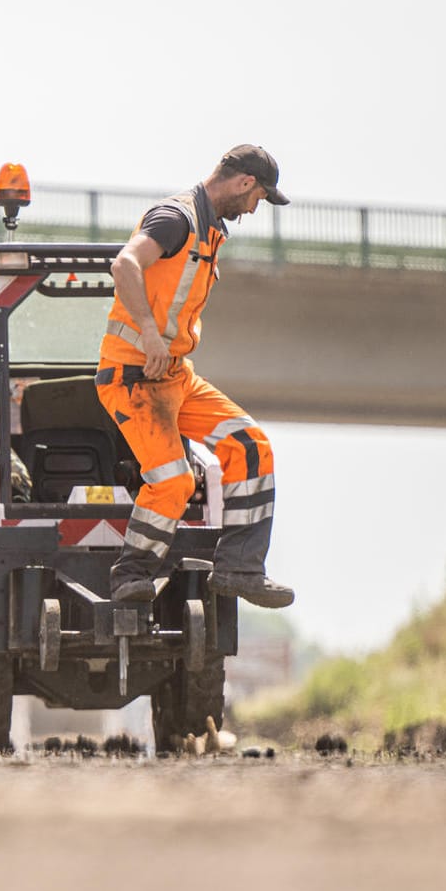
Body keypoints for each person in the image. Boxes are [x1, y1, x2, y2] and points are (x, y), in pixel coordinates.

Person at [98, 144, 296, 609]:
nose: (254, 209)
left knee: (250, 445)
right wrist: (148, 332)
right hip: (131, 378)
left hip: (175, 379)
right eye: (259, 198)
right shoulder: (177, 218)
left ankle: (240, 570)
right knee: (174, 481)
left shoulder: (208, 231)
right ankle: (131, 575)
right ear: (245, 183)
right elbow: (125, 264)